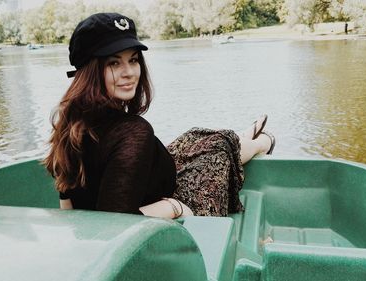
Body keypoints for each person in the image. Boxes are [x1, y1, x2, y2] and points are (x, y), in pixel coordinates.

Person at [44, 13, 275, 219]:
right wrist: (174, 207)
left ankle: (248, 137)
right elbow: (115, 224)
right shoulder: (134, 132)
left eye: (133, 60)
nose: (129, 73)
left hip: (155, 175)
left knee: (197, 137)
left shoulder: (69, 122)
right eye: (114, 63)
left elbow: (67, 202)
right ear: (90, 72)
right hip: (178, 196)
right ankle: (263, 142)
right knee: (218, 147)